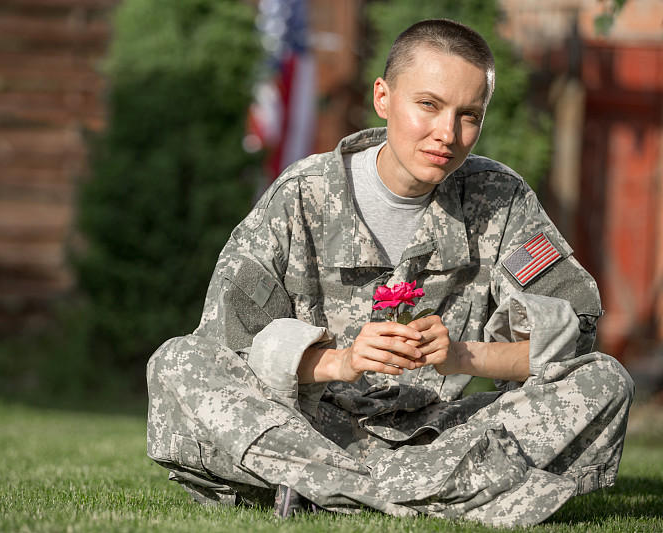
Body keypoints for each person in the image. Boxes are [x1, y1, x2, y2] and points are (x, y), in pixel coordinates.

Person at [145, 18, 634, 527]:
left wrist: (464, 355)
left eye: (469, 115)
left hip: (438, 434)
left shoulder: (499, 199)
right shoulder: (302, 195)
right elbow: (227, 345)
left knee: (605, 381)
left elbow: (574, 333)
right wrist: (338, 361)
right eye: (428, 105)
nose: (447, 133)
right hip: (307, 425)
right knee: (178, 363)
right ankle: (443, 489)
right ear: (383, 97)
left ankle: (320, 488)